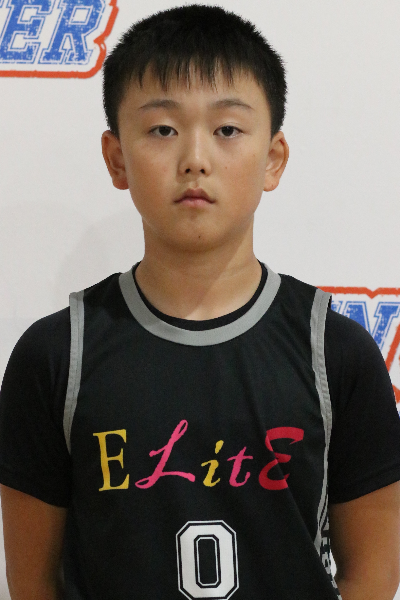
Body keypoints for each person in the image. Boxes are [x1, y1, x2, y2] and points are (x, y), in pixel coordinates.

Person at [1, 4, 400, 600]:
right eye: (163, 129)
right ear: (116, 158)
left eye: (227, 130)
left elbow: (373, 577)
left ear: (273, 159)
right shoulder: (57, 356)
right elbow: (33, 584)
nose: (195, 158)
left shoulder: (335, 352)